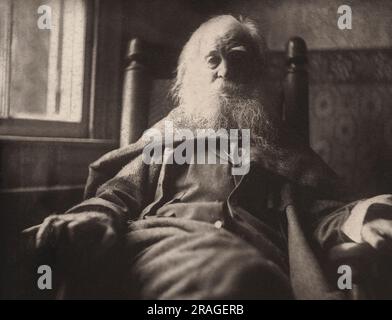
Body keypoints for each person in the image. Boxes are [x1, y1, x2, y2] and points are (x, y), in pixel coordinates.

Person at [25, 15, 392, 299]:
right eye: (213, 59)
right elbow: (116, 197)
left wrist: (364, 221)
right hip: (167, 248)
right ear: (189, 76)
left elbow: (323, 215)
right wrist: (92, 218)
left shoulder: (282, 149)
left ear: (257, 74)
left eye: (238, 59)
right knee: (237, 277)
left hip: (268, 262)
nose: (225, 70)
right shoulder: (163, 141)